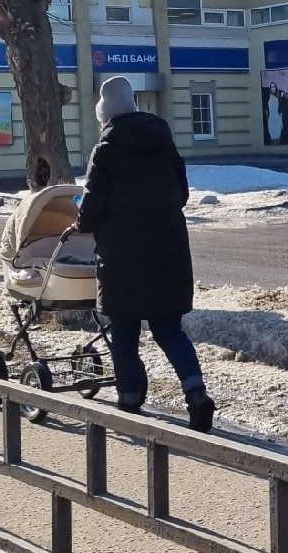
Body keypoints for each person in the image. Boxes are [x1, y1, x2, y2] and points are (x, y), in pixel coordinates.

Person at [75, 75, 216, 433]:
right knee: (169, 329)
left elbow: (91, 209)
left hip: (123, 258)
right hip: (168, 252)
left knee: (123, 332)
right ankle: (196, 393)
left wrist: (83, 223)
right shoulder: (163, 140)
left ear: (105, 114)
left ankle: (130, 398)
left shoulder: (105, 150)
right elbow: (182, 193)